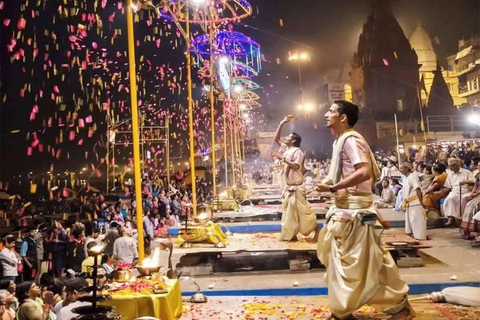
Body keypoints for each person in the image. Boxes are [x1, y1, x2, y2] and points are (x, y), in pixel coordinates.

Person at [316, 101, 412, 320]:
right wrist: (329, 183)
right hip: (343, 209)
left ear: (343, 118)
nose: (325, 114)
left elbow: (364, 172)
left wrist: (333, 187)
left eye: (331, 111)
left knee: (367, 261)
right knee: (353, 261)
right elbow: (343, 172)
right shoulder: (339, 141)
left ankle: (398, 307)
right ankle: (343, 309)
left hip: (355, 211)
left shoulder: (350, 140)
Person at [273, 116, 317, 242]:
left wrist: (282, 158)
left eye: (287, 137)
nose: (285, 138)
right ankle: (291, 235)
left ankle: (316, 230)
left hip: (296, 186)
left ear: (292, 140)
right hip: (289, 186)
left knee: (304, 212)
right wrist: (282, 123)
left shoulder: (297, 152)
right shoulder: (288, 149)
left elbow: (296, 166)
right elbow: (276, 139)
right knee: (289, 213)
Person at [443, 158, 475, 227]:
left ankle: (464, 219)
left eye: (450, 166)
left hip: (466, 191)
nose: (449, 168)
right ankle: (450, 218)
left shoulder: (467, 172)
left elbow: (474, 182)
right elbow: (447, 186)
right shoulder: (449, 174)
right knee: (450, 198)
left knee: (464, 199)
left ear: (456, 165)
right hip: (455, 191)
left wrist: (466, 182)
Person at [400, 163, 427, 240]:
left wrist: (421, 201)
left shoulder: (413, 177)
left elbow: (418, 189)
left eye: (401, 168)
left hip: (416, 202)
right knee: (411, 223)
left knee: (417, 222)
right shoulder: (406, 178)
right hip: (409, 203)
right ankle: (414, 237)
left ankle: (420, 238)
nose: (400, 170)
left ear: (406, 169)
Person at [460, 171, 480, 239]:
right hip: (477, 192)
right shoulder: (478, 175)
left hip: (478, 194)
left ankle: (473, 229)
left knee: (474, 205)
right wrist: (472, 193)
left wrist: (476, 194)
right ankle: (466, 230)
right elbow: (475, 186)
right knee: (467, 202)